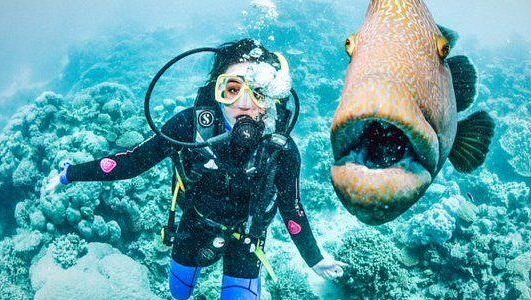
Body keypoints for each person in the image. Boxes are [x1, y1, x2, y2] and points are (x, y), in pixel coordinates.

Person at [45, 39, 346, 300]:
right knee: (179, 294)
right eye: (232, 88)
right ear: (216, 91)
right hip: (194, 225)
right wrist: (70, 174)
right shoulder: (189, 127)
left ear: (271, 98)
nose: (244, 103)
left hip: (248, 236)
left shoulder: (281, 149)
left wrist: (314, 258)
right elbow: (132, 163)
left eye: (256, 91)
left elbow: (292, 208)